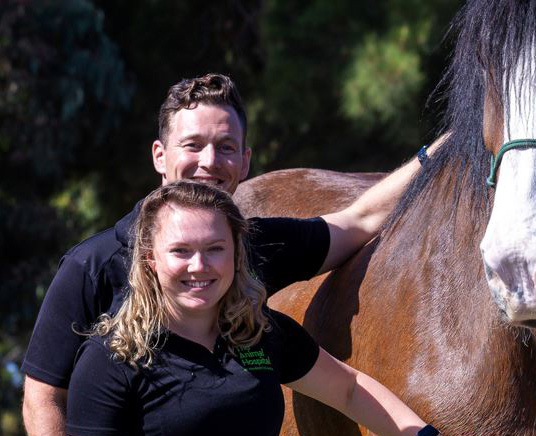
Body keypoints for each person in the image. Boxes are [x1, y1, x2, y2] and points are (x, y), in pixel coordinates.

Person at [22, 73, 435, 436]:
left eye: (225, 147)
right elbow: (44, 398)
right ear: (159, 155)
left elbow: (359, 220)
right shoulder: (91, 269)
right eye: (193, 145)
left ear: (245, 160)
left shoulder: (259, 282)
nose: (209, 162)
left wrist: (438, 152)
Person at [66, 180, 438, 436]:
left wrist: (422, 434)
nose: (200, 266)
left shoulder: (257, 332)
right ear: (151, 260)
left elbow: (349, 390)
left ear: (236, 254)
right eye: (181, 251)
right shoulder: (111, 359)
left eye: (215, 249)